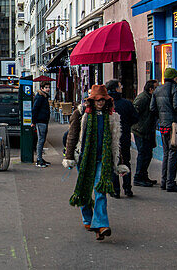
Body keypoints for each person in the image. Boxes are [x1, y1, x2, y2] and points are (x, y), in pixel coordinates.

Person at [63, 83, 128, 241]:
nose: (100, 102)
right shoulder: (80, 114)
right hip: (84, 158)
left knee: (100, 190)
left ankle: (100, 225)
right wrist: (69, 156)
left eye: (103, 100)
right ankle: (87, 218)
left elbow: (116, 141)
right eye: (97, 100)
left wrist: (120, 162)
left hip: (102, 159)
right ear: (91, 100)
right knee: (85, 189)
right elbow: (72, 136)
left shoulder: (112, 117)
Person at [150, 67, 177, 191]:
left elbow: (152, 108)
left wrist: (160, 119)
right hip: (173, 125)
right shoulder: (176, 89)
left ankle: (164, 181)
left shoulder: (157, 90)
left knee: (166, 153)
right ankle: (170, 183)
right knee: (173, 153)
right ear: (174, 78)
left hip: (163, 125)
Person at [105, 80, 137, 197]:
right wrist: (126, 125)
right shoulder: (126, 103)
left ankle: (115, 190)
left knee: (113, 163)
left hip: (110, 138)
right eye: (120, 86)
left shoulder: (105, 103)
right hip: (124, 136)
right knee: (125, 161)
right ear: (116, 89)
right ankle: (127, 189)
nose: (122, 87)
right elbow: (135, 118)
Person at [132, 80, 158, 186]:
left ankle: (143, 175)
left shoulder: (150, 98)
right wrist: (139, 125)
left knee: (148, 154)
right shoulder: (143, 98)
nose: (158, 89)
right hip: (141, 131)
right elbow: (134, 112)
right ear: (151, 89)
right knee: (143, 154)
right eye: (156, 87)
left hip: (147, 130)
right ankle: (138, 177)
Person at [32, 81, 51, 167]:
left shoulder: (44, 97)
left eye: (48, 87)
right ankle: (39, 160)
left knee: (42, 140)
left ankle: (40, 158)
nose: (48, 89)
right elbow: (35, 109)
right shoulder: (40, 97)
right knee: (41, 140)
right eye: (46, 87)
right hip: (41, 121)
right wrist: (33, 121)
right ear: (42, 88)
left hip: (43, 121)